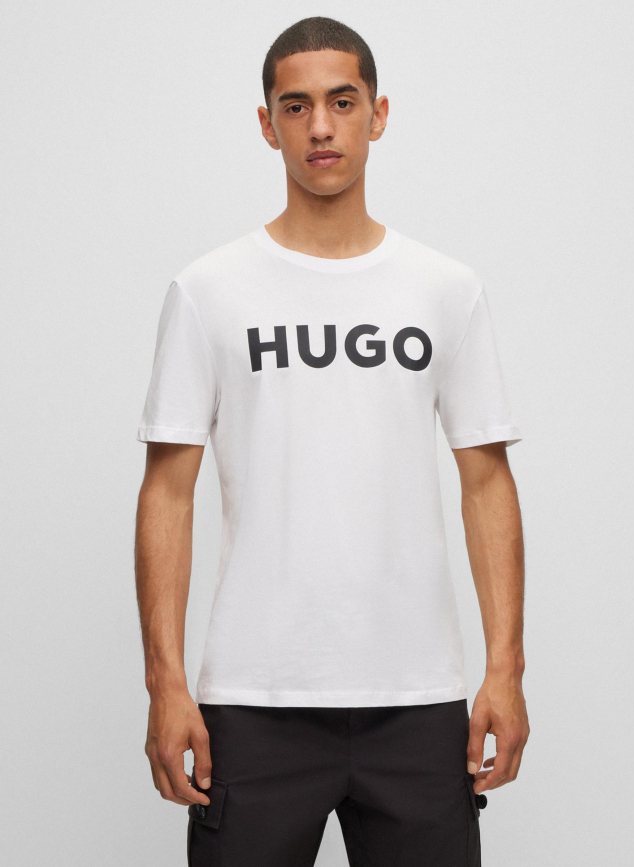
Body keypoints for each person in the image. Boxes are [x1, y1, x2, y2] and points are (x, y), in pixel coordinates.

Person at [134, 15, 529, 867]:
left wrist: (506, 668)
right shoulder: (208, 291)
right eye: (297, 106)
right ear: (267, 123)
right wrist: (165, 683)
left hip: (417, 702)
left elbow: (486, 482)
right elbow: (167, 490)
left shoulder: (445, 289)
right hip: (253, 703)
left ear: (378, 115)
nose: (320, 126)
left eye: (342, 102)